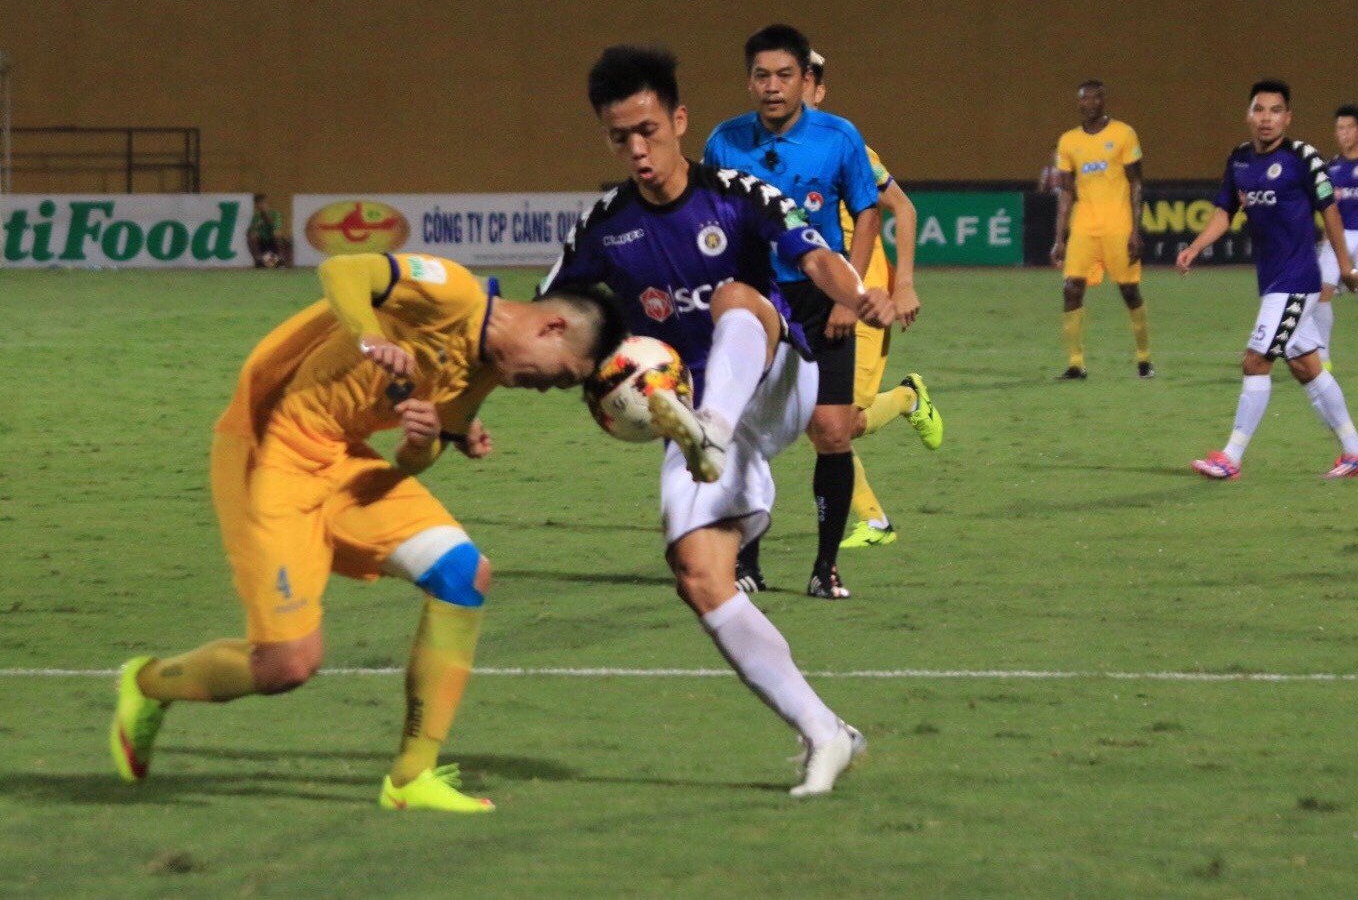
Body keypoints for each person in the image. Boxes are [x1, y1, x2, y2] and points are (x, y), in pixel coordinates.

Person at [110, 250, 624, 812]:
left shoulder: (483, 375)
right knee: (286, 666)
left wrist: (421, 440)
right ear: (553, 326)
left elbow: (414, 461)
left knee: (462, 572)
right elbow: (343, 270)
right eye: (562, 376)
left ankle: (411, 777)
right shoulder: (452, 289)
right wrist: (368, 336)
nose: (547, 389)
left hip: (340, 462)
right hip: (269, 450)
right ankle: (149, 683)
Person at [542, 44, 894, 794]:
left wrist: (856, 292)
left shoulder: (737, 194)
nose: (637, 150)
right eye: (619, 138)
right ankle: (825, 731)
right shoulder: (604, 227)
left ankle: (717, 434)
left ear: (678, 119)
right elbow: (545, 317)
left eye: (648, 130)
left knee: (738, 295)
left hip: (772, 385)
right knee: (700, 576)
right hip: (689, 414)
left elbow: (818, 255)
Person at [702, 24, 881, 600]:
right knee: (747, 431)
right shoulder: (724, 141)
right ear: (748, 80)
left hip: (817, 293)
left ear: (806, 79)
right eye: (761, 76)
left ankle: (825, 565)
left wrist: (846, 295)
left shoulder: (839, 137)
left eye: (784, 75)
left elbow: (867, 212)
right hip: (753, 299)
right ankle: (746, 559)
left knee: (831, 432)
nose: (772, 87)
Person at [1178, 79, 1358, 480]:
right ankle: (1356, 452)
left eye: (1275, 110)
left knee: (1255, 360)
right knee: (1306, 367)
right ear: (1249, 115)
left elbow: (1330, 211)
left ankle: (1230, 458)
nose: (1267, 119)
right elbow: (1222, 212)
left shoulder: (1304, 158)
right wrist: (1195, 247)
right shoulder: (1239, 161)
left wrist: (1346, 266)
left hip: (1296, 280)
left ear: (1288, 116)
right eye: (1259, 110)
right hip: (1271, 280)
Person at [801, 50, 942, 553]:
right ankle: (875, 520)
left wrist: (903, 283)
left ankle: (907, 398)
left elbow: (901, 207)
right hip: (808, 297)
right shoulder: (768, 156)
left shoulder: (848, 146)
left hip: (863, 297)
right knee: (816, 420)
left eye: (806, 81)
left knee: (842, 423)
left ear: (818, 92)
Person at [1050, 80, 1154, 379]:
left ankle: (1144, 357)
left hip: (1118, 225)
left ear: (1103, 101)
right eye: (1085, 99)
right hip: (1083, 226)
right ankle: (1075, 363)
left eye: (1096, 98)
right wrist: (1059, 237)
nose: (1091, 103)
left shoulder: (1123, 134)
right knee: (1071, 289)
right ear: (1079, 103)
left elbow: (1136, 181)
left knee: (1129, 290)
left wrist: (1135, 230)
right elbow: (1067, 192)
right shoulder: (1068, 141)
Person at [1316, 105, 1358, 373]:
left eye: (1349, 128)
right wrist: (1325, 240)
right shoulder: (1331, 167)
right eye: (1340, 129)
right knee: (1321, 293)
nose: (1344, 134)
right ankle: (1323, 360)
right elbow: (1327, 208)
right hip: (1336, 239)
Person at [247, 193, 292, 268]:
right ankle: (258, 259)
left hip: (272, 239)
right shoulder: (256, 216)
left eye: (262, 203)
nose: (260, 206)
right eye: (258, 204)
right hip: (261, 240)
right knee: (252, 235)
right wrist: (257, 225)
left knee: (276, 233)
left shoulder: (275, 214)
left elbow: (276, 226)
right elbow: (251, 228)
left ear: (265, 203)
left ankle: (280, 258)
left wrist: (266, 218)